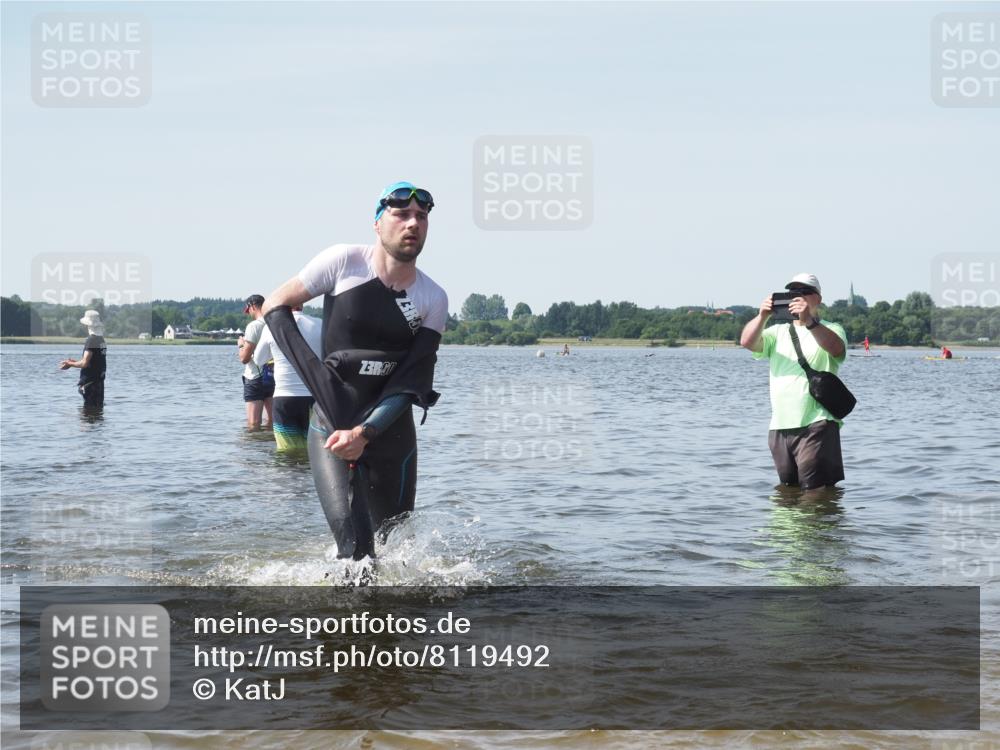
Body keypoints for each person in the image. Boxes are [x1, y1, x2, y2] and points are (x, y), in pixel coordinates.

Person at [262, 181, 448, 561]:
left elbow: (411, 381)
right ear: (378, 223)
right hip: (331, 427)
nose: (412, 223)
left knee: (398, 551)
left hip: (391, 433)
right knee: (356, 552)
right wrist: (319, 380)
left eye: (421, 217)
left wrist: (366, 431)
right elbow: (275, 305)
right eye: (401, 214)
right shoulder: (344, 262)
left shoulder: (433, 298)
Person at [740, 273, 849, 490]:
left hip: (817, 424)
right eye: (793, 293)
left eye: (805, 292)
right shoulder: (777, 331)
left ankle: (817, 524)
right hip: (780, 427)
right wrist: (762, 316)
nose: (798, 297)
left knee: (816, 492)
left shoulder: (832, 328)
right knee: (787, 492)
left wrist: (809, 321)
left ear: (818, 298)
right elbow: (747, 342)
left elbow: (836, 349)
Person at [253, 305, 322, 455]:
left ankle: (288, 478)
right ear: (302, 304)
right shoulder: (319, 324)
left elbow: (258, 360)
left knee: (286, 452)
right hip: (314, 397)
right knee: (314, 452)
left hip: (284, 397)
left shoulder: (271, 327)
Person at [238, 294, 274, 430]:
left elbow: (244, 358)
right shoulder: (273, 323)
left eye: (249, 311)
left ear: (252, 307)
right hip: (272, 377)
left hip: (255, 377)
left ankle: (255, 449)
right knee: (272, 421)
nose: (249, 314)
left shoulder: (254, 326)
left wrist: (241, 344)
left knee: (253, 424)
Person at [59, 310, 107, 408]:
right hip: (99, 383)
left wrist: (69, 364)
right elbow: (93, 362)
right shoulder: (101, 340)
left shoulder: (91, 340)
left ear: (87, 325)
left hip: (90, 384)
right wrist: (75, 362)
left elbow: (85, 363)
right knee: (97, 413)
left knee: (87, 418)